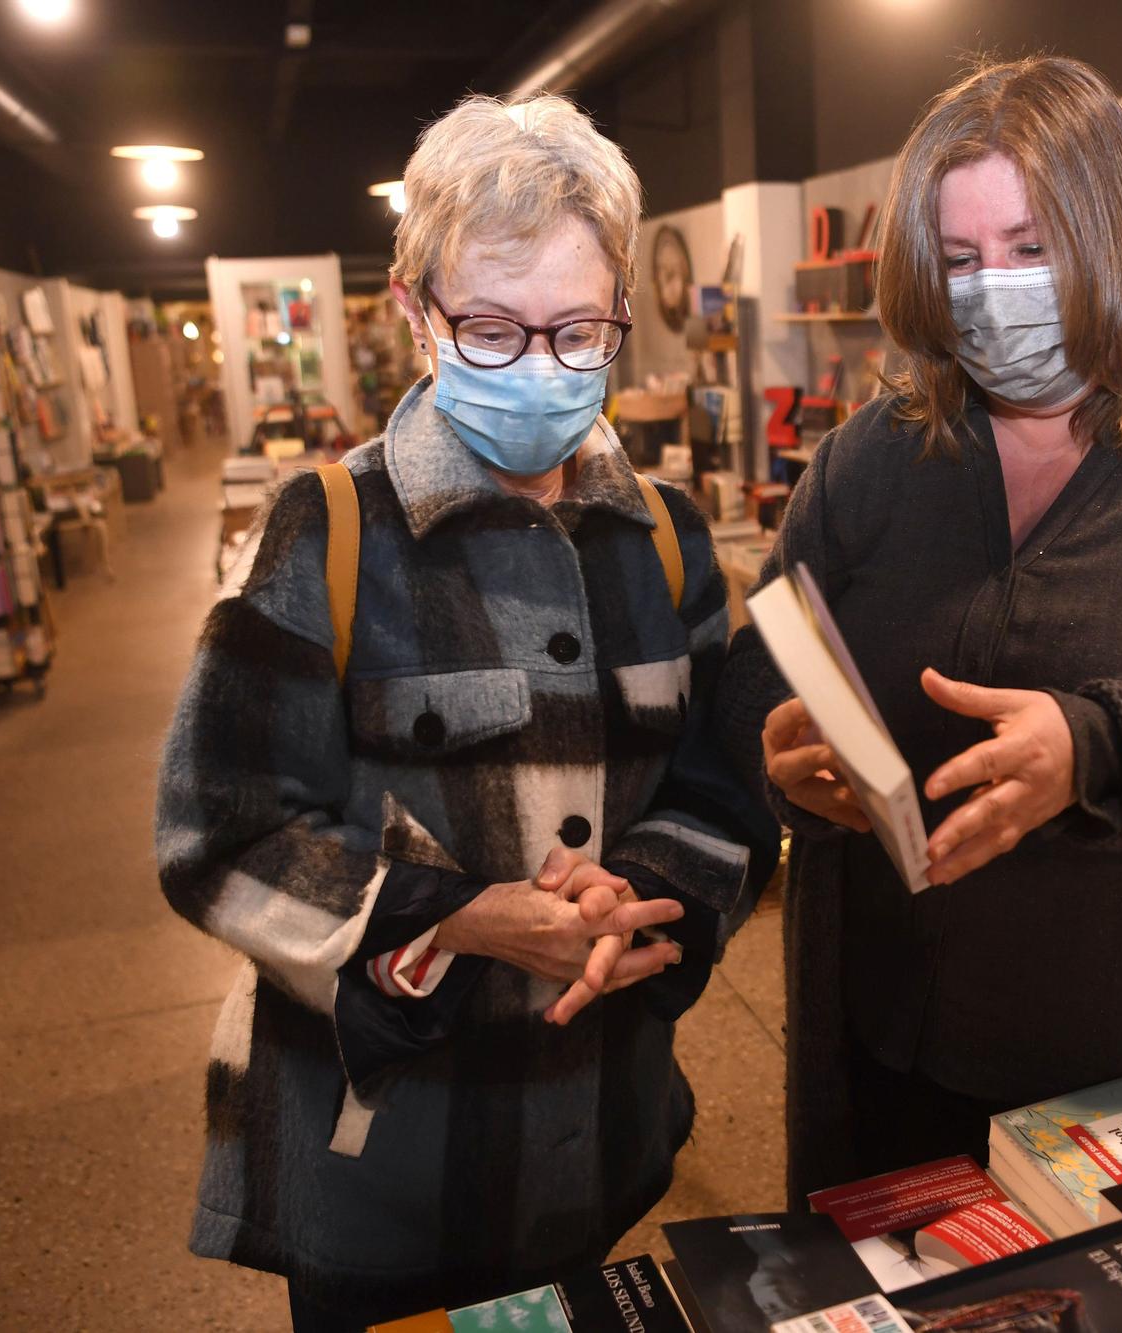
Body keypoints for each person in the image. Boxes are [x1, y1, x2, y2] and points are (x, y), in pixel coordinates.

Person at [156, 92, 777, 1331]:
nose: (539, 367)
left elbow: (722, 784)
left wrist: (640, 893)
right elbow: (216, 836)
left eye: (577, 329)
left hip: (598, 1134)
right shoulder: (325, 535)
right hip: (381, 1172)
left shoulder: (664, 537)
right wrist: (458, 922)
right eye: (490, 329)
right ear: (413, 312)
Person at [717, 56, 1122, 1203]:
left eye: (1031, 248)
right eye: (960, 259)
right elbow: (763, 668)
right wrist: (781, 758)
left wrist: (1096, 749)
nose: (992, 292)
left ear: (1113, 236)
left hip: (1113, 1076)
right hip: (878, 1045)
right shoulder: (870, 457)